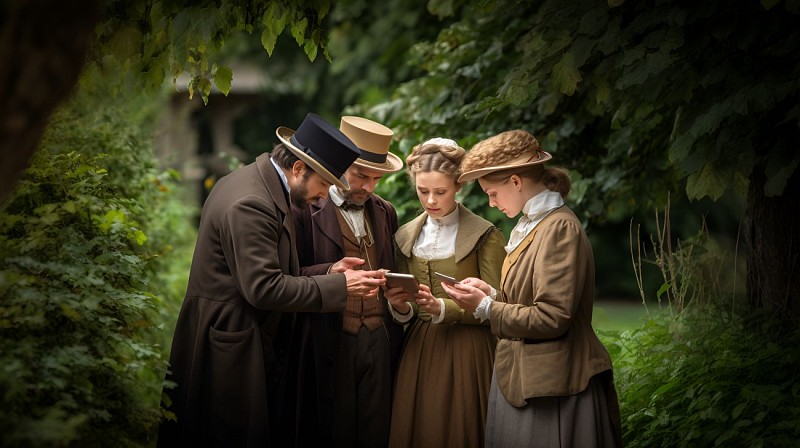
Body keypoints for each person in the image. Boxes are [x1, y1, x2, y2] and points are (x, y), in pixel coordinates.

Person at [157, 113, 388, 447]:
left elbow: (273, 271)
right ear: (298, 168)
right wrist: (342, 286)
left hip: (238, 332)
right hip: (229, 338)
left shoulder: (259, 184)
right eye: (323, 184)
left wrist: (329, 272)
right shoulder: (252, 203)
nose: (323, 197)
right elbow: (263, 288)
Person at [441, 129, 622, 447]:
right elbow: (530, 299)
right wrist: (491, 295)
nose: (491, 203)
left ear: (515, 181)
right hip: (528, 379)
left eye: (492, 193)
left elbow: (553, 316)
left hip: (556, 385)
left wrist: (487, 308)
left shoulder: (559, 227)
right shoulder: (532, 224)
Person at [385, 138, 507, 448]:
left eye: (440, 192)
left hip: (469, 350)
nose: (430, 200)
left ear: (458, 186)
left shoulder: (484, 235)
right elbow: (409, 306)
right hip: (418, 351)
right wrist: (402, 307)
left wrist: (443, 307)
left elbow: (500, 304)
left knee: (461, 429)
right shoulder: (404, 236)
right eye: (422, 191)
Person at [291, 116, 405, 447]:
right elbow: (289, 276)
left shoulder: (385, 211)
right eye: (361, 175)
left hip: (379, 340)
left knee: (376, 431)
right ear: (338, 165)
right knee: (331, 431)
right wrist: (331, 273)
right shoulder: (305, 208)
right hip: (329, 337)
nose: (368, 187)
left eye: (377, 179)